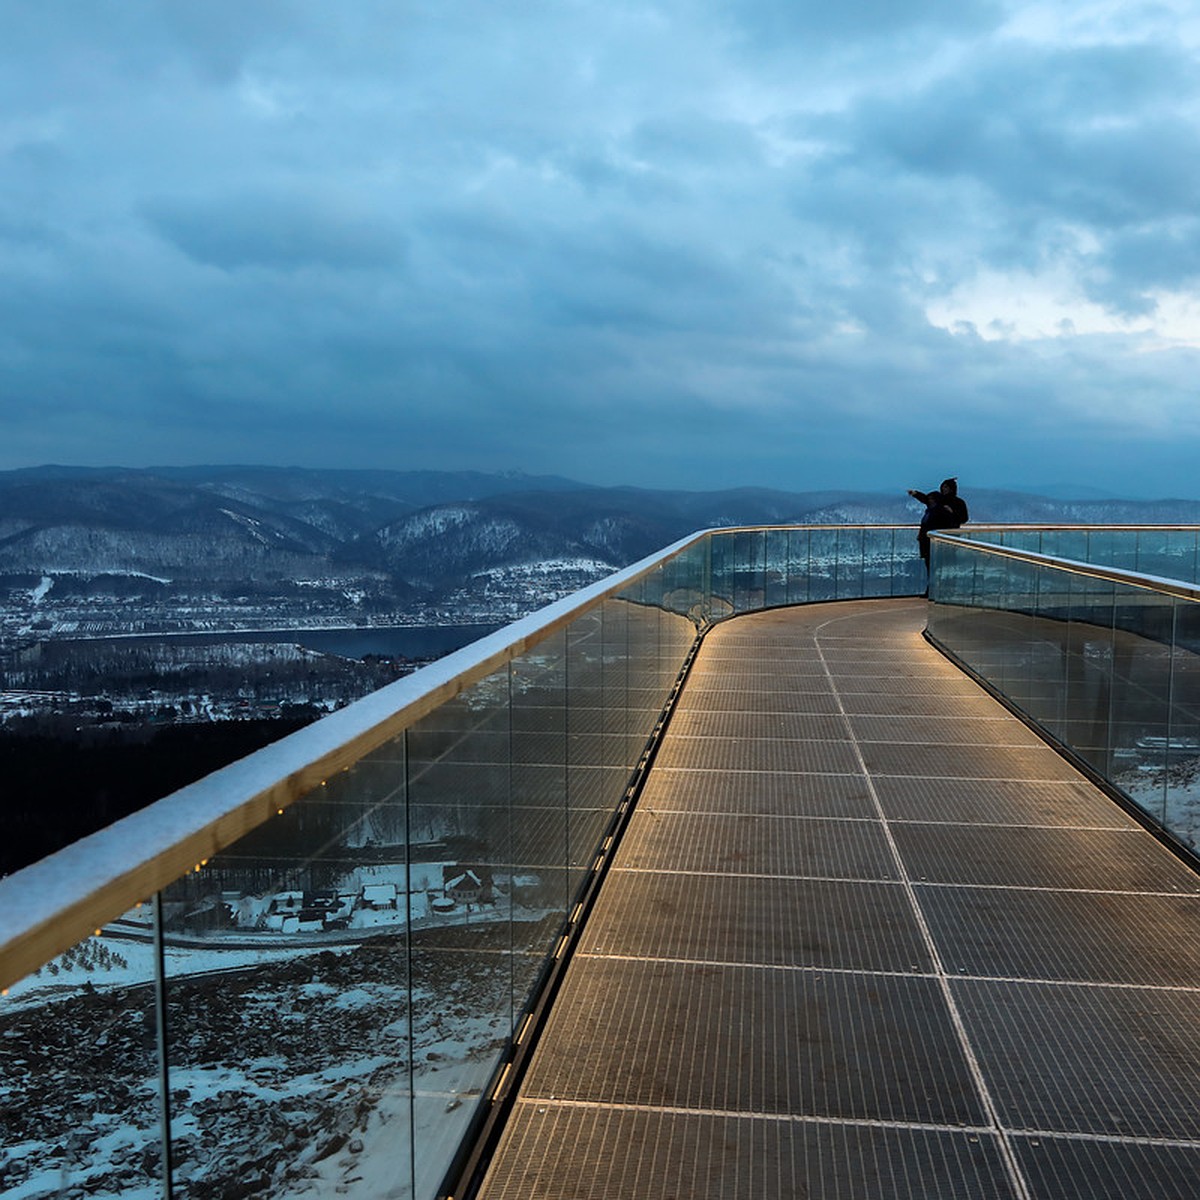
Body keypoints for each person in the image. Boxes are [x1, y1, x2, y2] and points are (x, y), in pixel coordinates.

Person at [908, 477, 968, 573]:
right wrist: (916, 494)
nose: (944, 489)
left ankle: (943, 585)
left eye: (946, 487)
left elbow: (964, 518)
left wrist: (952, 512)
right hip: (932, 538)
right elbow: (927, 499)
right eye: (943, 487)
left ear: (951, 489)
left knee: (946, 565)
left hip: (948, 537)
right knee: (932, 565)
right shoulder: (939, 500)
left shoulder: (958, 503)